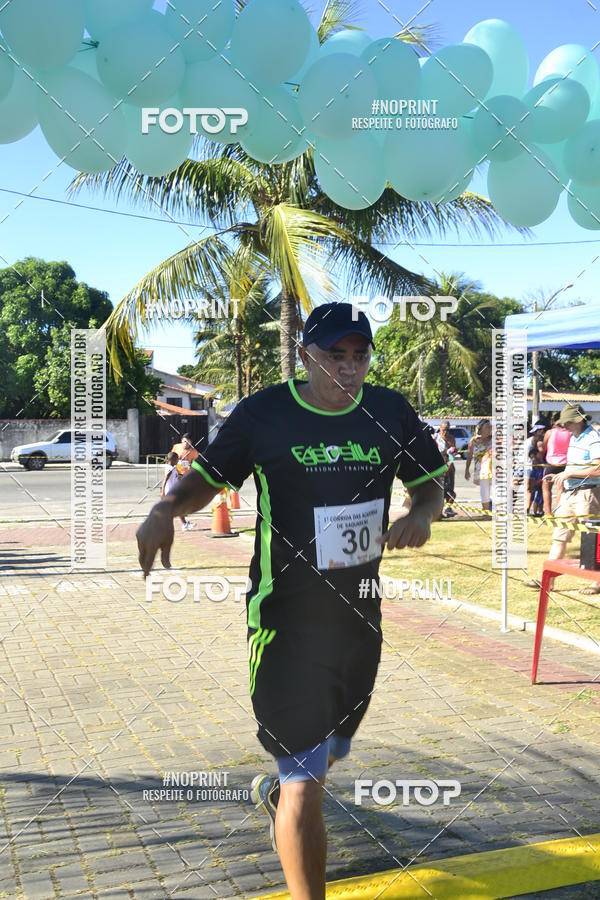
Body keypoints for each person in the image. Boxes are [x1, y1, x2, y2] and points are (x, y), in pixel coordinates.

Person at [136, 302, 445, 899]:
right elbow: (206, 479)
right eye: (335, 356)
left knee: (323, 760)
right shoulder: (266, 415)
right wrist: (165, 508)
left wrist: (422, 512)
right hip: (285, 627)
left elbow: (431, 481)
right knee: (306, 782)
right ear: (305, 356)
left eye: (359, 356)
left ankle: (284, 790)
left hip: (359, 621)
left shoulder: (388, 411)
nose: (349, 369)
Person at [530, 404, 600, 596]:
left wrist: (570, 474)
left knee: (592, 539)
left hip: (588, 493)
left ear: (577, 420)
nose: (564, 427)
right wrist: (560, 476)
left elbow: (598, 468)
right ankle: (548, 581)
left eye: (567, 423)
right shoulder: (574, 438)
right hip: (570, 494)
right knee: (559, 536)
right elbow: (574, 468)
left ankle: (596, 583)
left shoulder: (593, 438)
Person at [542, 412, 570, 516]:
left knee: (546, 488)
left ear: (554, 421)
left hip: (551, 464)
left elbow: (544, 447)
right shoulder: (569, 433)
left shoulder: (550, 432)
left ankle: (548, 513)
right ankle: (558, 512)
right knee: (561, 489)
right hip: (564, 464)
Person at [160, 451, 195, 532]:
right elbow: (165, 479)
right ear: (172, 460)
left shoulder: (173, 468)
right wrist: (162, 491)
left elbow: (177, 476)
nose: (178, 460)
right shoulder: (170, 468)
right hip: (170, 492)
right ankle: (184, 525)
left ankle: (184, 524)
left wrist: (183, 476)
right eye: (177, 459)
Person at [465, 419, 493, 511]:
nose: (490, 428)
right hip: (481, 470)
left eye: (490, 426)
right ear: (480, 429)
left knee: (496, 492)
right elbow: (469, 456)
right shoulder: (473, 441)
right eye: (487, 427)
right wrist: (467, 470)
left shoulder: (494, 439)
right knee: (485, 493)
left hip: (494, 469)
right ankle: (487, 513)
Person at [435, 421, 457, 518]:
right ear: (440, 428)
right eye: (444, 429)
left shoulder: (451, 439)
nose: (446, 432)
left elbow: (452, 453)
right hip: (438, 467)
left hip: (449, 466)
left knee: (450, 490)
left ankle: (448, 509)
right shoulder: (435, 438)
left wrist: (449, 465)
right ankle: (438, 512)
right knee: (438, 490)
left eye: (448, 430)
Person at [527, 440, 546, 517]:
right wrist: (532, 483)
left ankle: (539, 511)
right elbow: (532, 475)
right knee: (535, 497)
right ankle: (534, 512)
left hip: (541, 482)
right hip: (536, 482)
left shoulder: (541, 462)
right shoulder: (534, 463)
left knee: (540, 498)